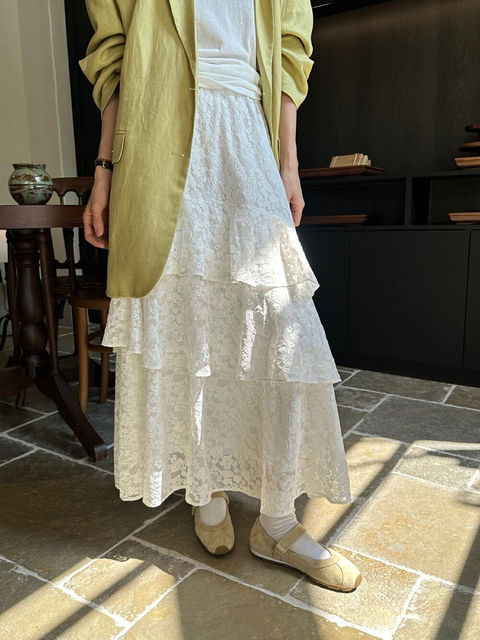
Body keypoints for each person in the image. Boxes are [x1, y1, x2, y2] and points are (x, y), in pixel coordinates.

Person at [79, 0, 362, 591]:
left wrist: (288, 162)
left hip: (248, 136)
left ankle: (277, 521)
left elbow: (290, 51)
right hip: (154, 140)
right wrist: (104, 169)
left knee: (281, 328)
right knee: (187, 326)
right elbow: (113, 56)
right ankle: (204, 489)